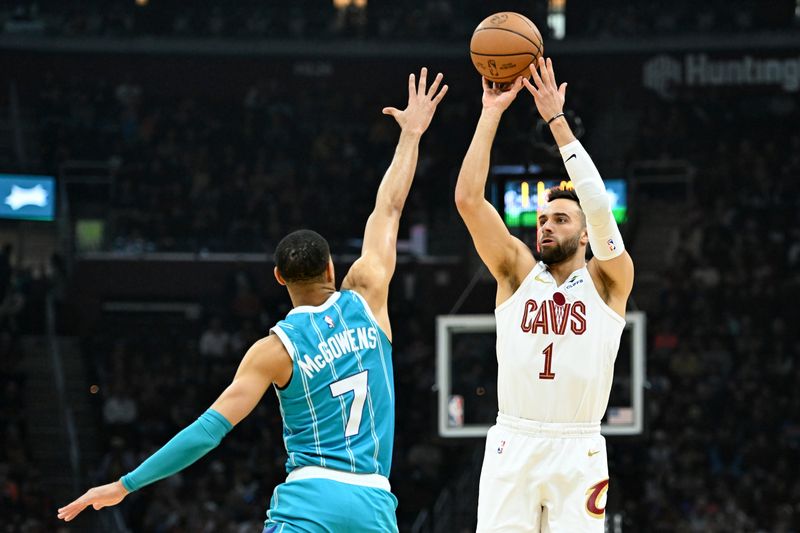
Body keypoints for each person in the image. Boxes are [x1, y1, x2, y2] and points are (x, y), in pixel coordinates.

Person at [57, 67, 448, 532]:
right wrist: (411, 135)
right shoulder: (368, 296)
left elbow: (207, 431)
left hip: (308, 502)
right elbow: (389, 207)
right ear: (331, 269)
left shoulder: (274, 350)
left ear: (279, 278)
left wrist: (124, 484)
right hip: (374, 501)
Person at [454, 57, 634, 532]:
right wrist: (491, 111)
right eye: (541, 220)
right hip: (513, 438)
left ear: (587, 234)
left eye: (560, 219)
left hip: (579, 447)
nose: (547, 226)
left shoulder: (609, 281)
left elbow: (598, 206)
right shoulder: (515, 274)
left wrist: (556, 121)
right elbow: (468, 201)